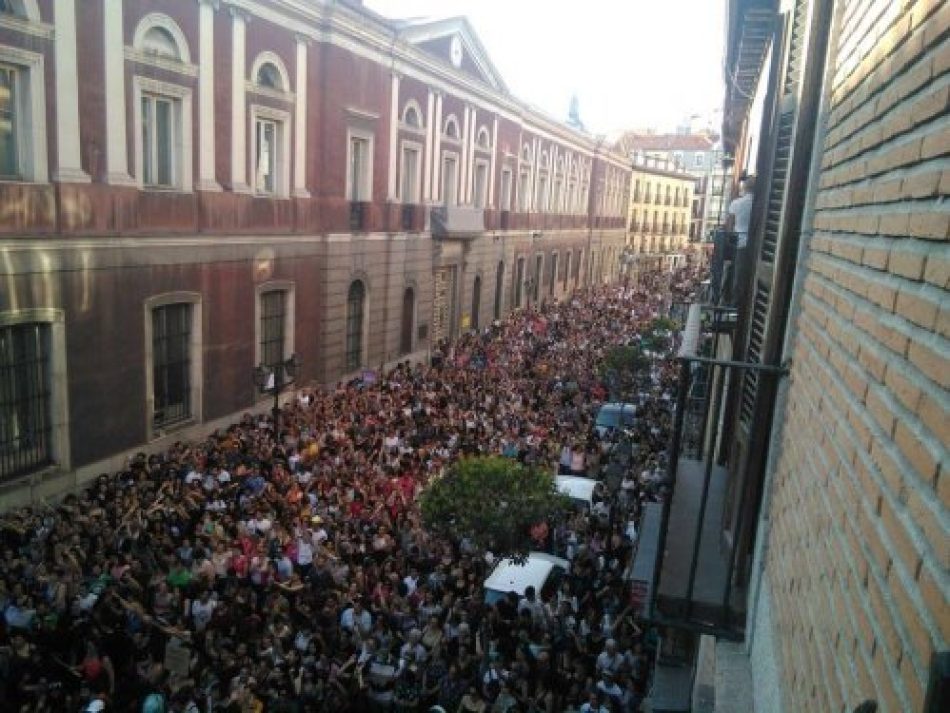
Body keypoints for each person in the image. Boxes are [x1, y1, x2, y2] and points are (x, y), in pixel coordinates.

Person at [725, 174, 755, 304]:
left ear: (744, 187)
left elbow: (729, 225)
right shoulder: (761, 204)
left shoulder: (737, 203)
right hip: (756, 245)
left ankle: (735, 304)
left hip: (741, 243)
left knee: (738, 276)